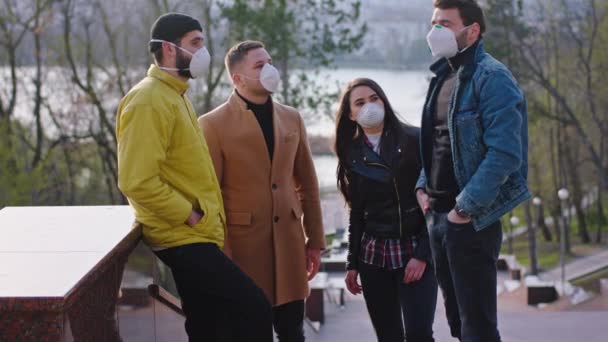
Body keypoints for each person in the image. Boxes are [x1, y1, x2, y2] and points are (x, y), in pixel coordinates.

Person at [116, 14, 272, 342]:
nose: (204, 51)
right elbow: (136, 180)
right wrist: (189, 213)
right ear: (169, 50)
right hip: (181, 234)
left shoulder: (175, 94)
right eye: (195, 43)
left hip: (194, 232)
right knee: (253, 306)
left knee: (206, 324)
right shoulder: (148, 99)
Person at [416, 1, 530, 341]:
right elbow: (436, 141)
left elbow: (506, 154)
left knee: (477, 328)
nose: (436, 31)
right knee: (457, 325)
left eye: (446, 23)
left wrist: (463, 210)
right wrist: (423, 186)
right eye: (434, 22)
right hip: (438, 218)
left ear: (473, 30)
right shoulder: (443, 76)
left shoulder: (492, 77)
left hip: (470, 221)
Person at [198, 40, 326, 342]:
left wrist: (315, 241)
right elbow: (211, 196)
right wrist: (222, 255)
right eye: (259, 65)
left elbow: (307, 183)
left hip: (291, 246)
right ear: (237, 78)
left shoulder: (292, 117)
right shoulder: (211, 125)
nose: (269, 69)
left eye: (269, 61)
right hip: (243, 251)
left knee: (293, 332)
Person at [335, 78, 438, 342]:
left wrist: (423, 255)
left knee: (419, 333)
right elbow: (357, 213)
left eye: (374, 98)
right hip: (373, 257)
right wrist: (352, 263)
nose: (369, 105)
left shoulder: (416, 139)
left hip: (415, 250)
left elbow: (436, 201)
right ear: (351, 114)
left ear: (384, 101)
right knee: (388, 336)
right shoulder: (351, 153)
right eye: (360, 102)